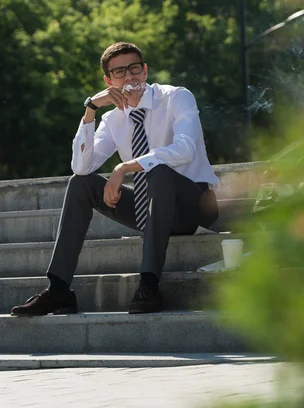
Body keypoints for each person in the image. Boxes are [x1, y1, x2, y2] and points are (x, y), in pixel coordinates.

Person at [11, 41, 219, 316]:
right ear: (108, 81)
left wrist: (124, 168)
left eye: (134, 68)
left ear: (145, 71)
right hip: (151, 211)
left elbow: (185, 149)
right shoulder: (112, 119)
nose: (129, 76)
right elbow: (81, 167)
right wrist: (91, 109)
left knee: (157, 169)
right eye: (119, 72)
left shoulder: (176, 97)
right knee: (81, 184)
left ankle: (149, 284)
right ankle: (59, 290)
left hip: (194, 206)